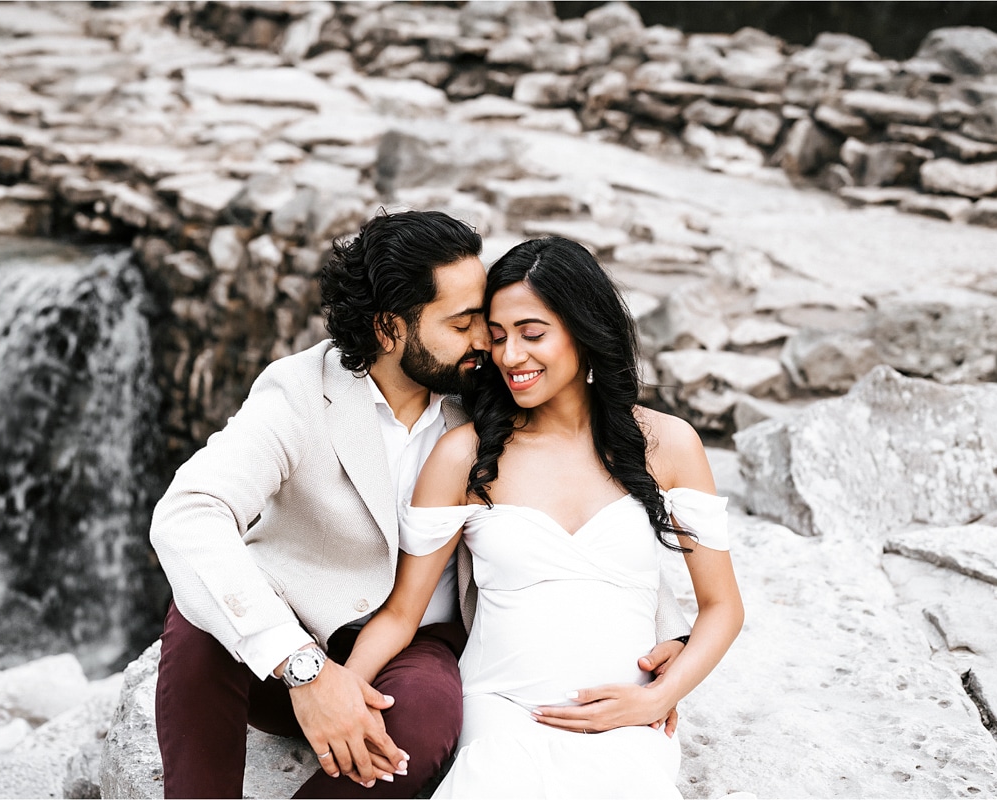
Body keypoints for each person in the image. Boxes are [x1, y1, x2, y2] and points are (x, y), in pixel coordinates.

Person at [148, 214, 693, 799]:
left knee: (429, 716)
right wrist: (301, 667)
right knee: (199, 624)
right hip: (289, 641)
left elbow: (591, 500)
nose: (488, 343)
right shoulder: (301, 391)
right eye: (463, 324)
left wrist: (670, 647)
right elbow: (189, 510)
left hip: (413, 649)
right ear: (389, 329)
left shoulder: (490, 397)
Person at [346, 236, 745, 798]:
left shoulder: (668, 444)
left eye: (533, 334)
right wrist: (341, 690)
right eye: (499, 336)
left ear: (585, 330)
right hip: (501, 714)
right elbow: (401, 613)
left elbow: (722, 607)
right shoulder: (465, 453)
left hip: (627, 718)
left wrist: (658, 695)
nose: (511, 356)